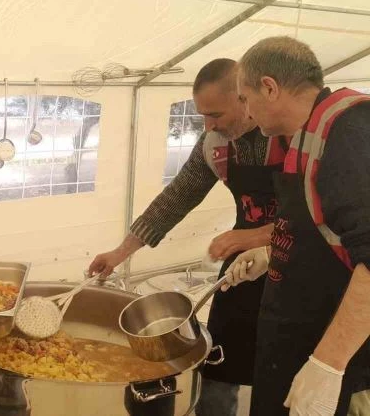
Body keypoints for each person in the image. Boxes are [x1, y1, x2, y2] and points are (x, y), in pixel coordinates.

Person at [88, 58, 289, 416]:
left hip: (296, 269)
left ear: (245, 99)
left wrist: (253, 237)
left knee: (282, 373)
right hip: (240, 270)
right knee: (216, 363)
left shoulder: (290, 137)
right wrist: (120, 253)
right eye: (202, 116)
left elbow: (315, 216)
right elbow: (175, 199)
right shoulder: (215, 145)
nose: (208, 125)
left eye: (216, 115)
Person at [222, 36, 370, 416]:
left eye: (244, 98)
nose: (246, 110)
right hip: (293, 344)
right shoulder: (309, 132)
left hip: (336, 358)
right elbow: (329, 229)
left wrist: (328, 365)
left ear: (269, 88)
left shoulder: (349, 131)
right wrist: (272, 254)